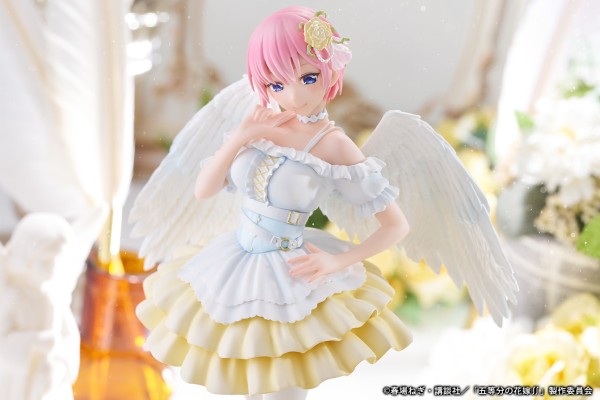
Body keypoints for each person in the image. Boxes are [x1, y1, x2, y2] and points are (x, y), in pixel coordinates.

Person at [132, 6, 516, 400]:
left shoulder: (334, 145)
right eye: (276, 83)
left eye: (308, 77)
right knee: (248, 374)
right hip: (237, 264)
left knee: (285, 381)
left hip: (292, 273)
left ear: (329, 71)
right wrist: (240, 137)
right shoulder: (259, 120)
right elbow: (204, 189)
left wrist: (339, 261)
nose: (294, 96)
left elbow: (396, 225)